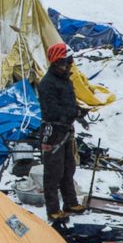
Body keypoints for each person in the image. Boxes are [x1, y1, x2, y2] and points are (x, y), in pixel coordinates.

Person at [37, 43, 86, 220]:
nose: (68, 66)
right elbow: (51, 110)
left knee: (68, 168)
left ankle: (70, 202)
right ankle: (52, 209)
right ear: (57, 63)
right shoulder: (47, 84)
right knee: (53, 171)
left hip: (65, 129)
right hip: (53, 131)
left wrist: (79, 110)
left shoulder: (65, 81)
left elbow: (68, 103)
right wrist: (73, 113)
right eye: (66, 63)